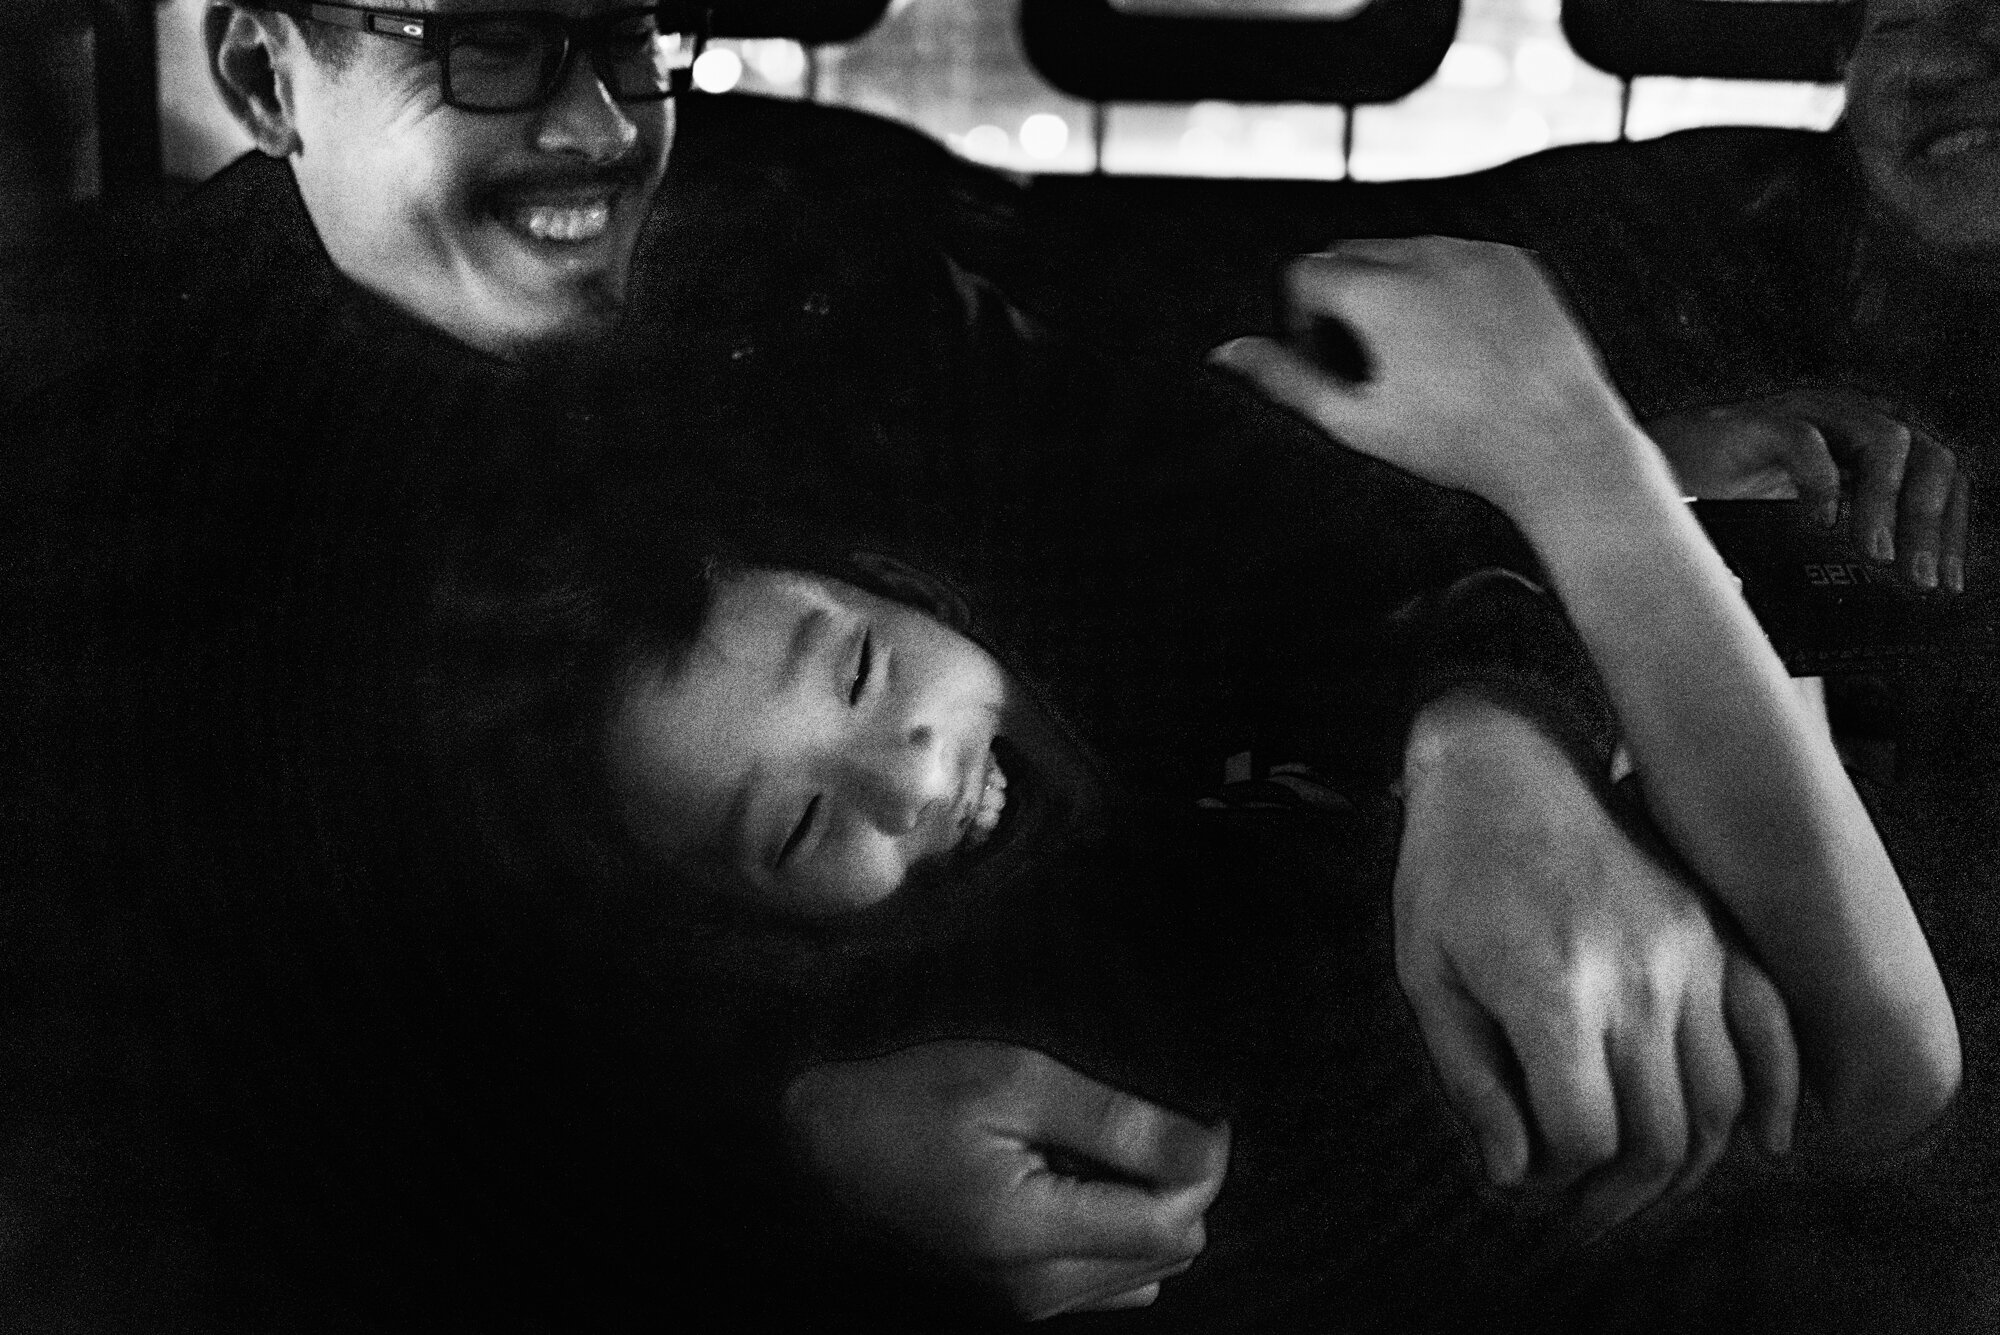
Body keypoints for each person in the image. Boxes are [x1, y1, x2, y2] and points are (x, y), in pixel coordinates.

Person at [0, 2, 1859, 1323]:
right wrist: (756, 1186)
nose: (597, 122)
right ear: (264, 71)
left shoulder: (802, 264)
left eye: (634, 29)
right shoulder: (84, 442)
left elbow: (1245, 499)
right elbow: (121, 1180)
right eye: (489, 37)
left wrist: (1494, 725)